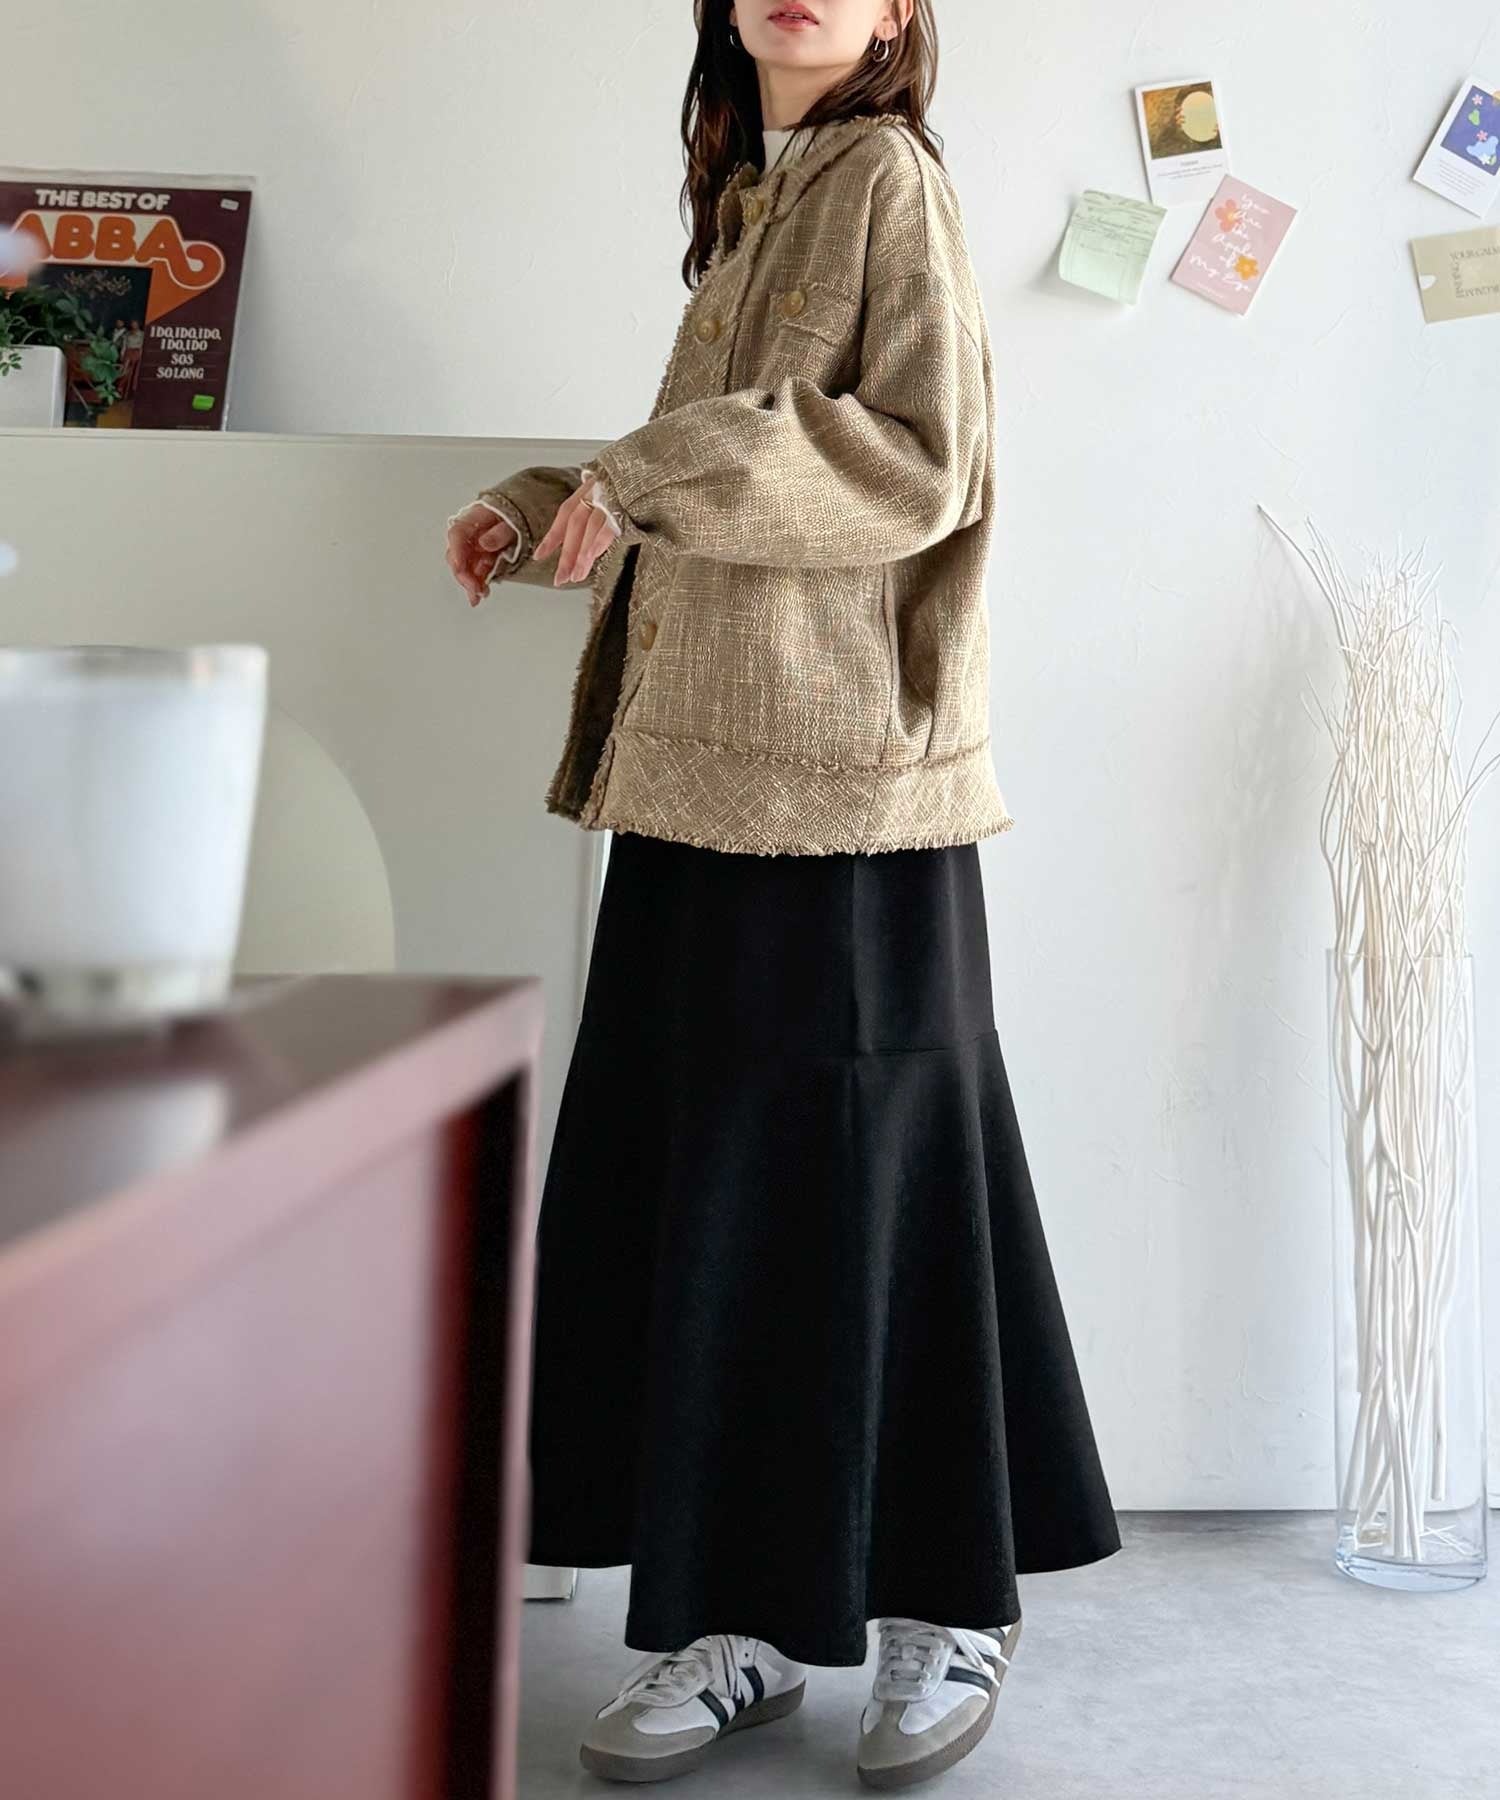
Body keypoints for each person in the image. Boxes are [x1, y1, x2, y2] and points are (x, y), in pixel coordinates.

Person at [446, 2, 1120, 1788]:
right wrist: (553, 505)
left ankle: (941, 1609)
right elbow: (731, 476)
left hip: (851, 791)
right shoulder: (760, 192)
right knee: (720, 1190)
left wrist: (639, 479)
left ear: (901, 10)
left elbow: (914, 460)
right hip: (701, 775)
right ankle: (742, 1618)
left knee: (875, 1182)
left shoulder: (889, 175)